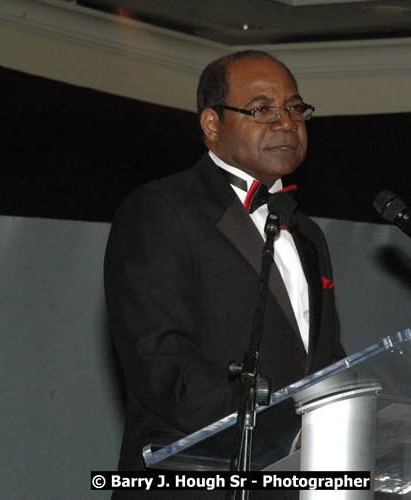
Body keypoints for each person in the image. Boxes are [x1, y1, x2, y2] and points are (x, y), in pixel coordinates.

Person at [104, 50, 346, 497]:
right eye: (262, 109)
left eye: (294, 108)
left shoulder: (308, 233)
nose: (286, 123)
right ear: (212, 125)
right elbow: (164, 366)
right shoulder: (162, 210)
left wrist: (353, 420)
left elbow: (324, 361)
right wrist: (285, 432)